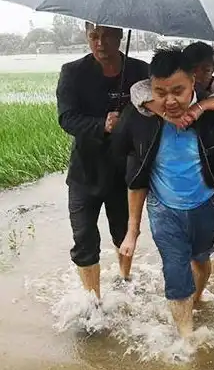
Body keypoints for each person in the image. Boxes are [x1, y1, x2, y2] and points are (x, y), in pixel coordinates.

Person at [115, 47, 214, 338]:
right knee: (176, 272)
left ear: (194, 81)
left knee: (201, 260)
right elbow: (133, 173)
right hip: (163, 209)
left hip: (205, 205)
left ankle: (198, 297)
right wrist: (132, 230)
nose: (170, 100)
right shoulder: (142, 115)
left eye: (178, 91)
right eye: (161, 92)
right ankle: (187, 343)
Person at [56, 22, 149, 300]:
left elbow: (154, 107)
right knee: (84, 237)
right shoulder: (73, 72)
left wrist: (130, 122)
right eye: (93, 36)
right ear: (86, 36)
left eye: (107, 36)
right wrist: (102, 124)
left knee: (123, 233)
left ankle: (125, 279)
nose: (100, 43)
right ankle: (93, 301)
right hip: (85, 172)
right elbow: (67, 118)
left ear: (121, 36)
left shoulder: (139, 71)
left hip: (124, 171)